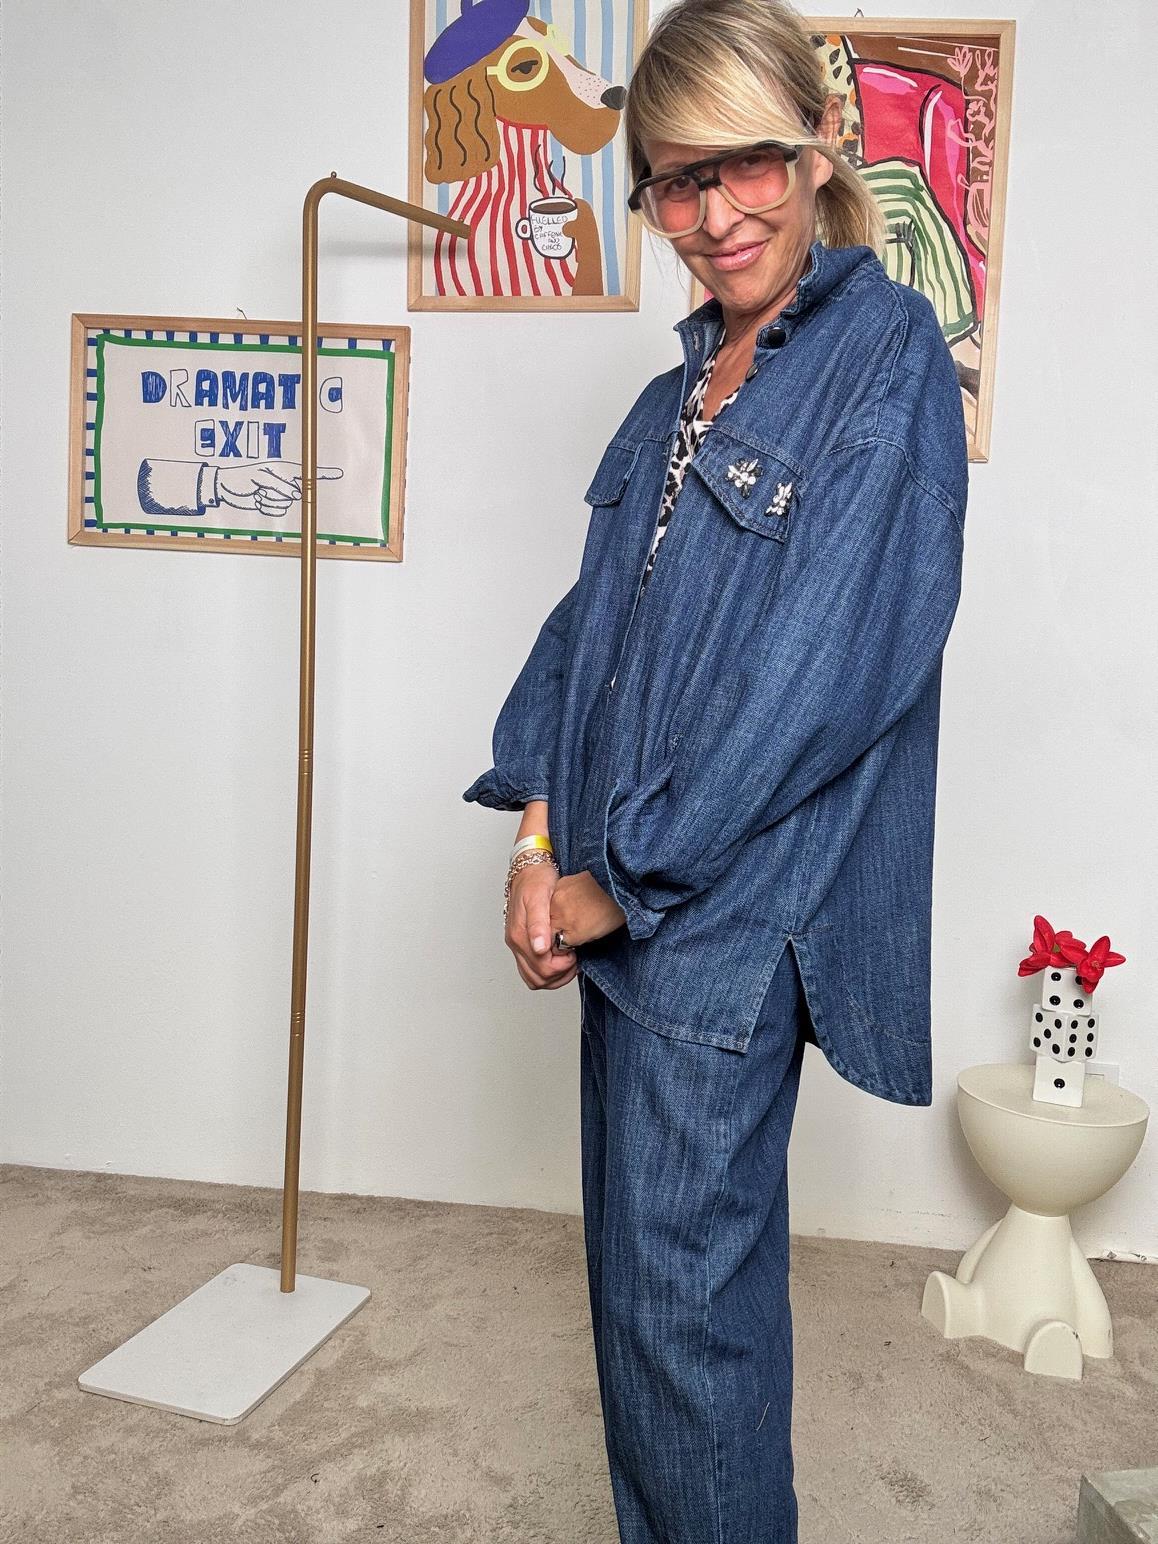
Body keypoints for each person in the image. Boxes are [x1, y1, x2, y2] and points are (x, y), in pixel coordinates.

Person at [462, 0, 969, 1536]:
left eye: (744, 163)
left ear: (816, 148)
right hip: (620, 909)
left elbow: (822, 675)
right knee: (640, 1310)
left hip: (720, 930)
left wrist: (620, 881)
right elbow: (581, 637)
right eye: (675, 182)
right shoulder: (670, 396)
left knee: (687, 1330)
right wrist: (536, 840)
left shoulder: (881, 355)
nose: (713, 214)